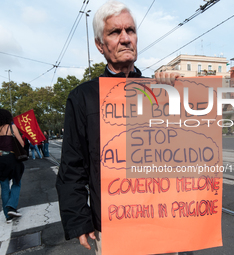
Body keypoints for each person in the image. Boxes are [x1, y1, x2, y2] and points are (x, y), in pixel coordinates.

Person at [56, 1, 178, 254]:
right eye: (115, 32)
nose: (125, 38)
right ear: (100, 45)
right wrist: (79, 219)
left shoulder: (162, 89)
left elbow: (184, 150)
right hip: (113, 224)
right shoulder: (83, 97)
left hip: (164, 219)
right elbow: (72, 165)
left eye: (130, 30)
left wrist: (176, 90)